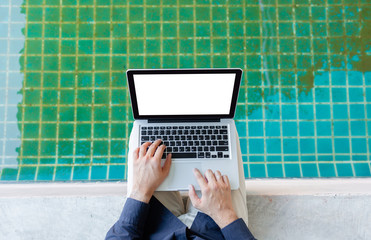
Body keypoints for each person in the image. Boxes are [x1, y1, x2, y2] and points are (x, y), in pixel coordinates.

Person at [106, 139, 256, 240]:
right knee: (227, 136)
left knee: (143, 147)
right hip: (217, 232)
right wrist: (225, 214)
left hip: (156, 229)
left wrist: (140, 191)